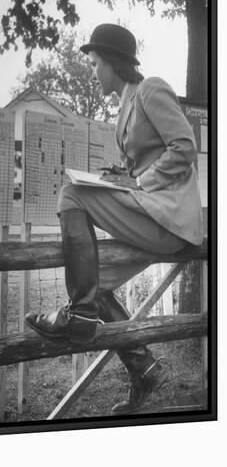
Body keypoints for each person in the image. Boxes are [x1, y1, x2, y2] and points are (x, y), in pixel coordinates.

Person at [25, 23, 203, 413]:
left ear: (112, 63)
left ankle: (81, 314)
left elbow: (185, 147)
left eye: (94, 63)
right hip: (151, 213)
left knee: (71, 193)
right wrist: (118, 176)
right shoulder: (124, 105)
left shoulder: (151, 88)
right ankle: (144, 367)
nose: (92, 72)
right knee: (93, 281)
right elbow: (141, 164)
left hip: (169, 216)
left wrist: (139, 180)